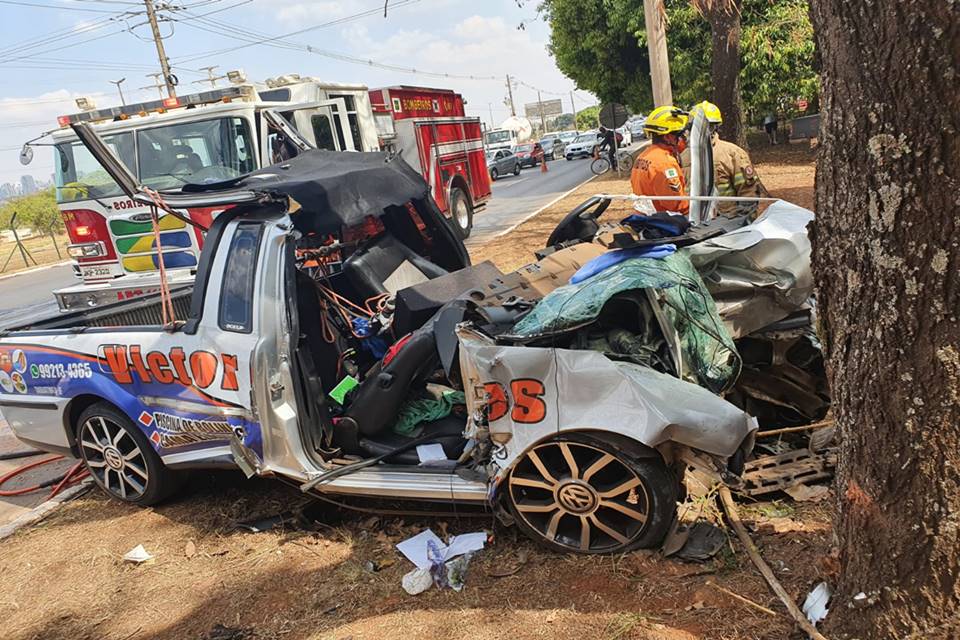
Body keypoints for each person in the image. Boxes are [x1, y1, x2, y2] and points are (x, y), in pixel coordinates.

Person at [682, 101, 768, 218]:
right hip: (694, 225)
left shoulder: (732, 154)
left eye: (709, 126)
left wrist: (744, 221)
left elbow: (748, 192)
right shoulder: (684, 156)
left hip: (726, 223)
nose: (703, 130)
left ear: (715, 127)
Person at [631, 106, 690, 215]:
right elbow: (675, 204)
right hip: (667, 223)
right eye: (678, 135)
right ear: (667, 137)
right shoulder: (665, 163)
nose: (682, 139)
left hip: (649, 219)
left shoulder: (643, 156)